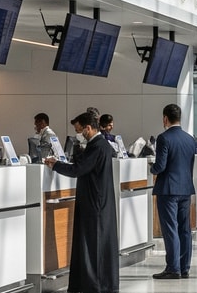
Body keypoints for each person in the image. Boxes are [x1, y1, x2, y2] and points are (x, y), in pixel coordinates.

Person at [44, 111, 117, 293]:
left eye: (79, 130)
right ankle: (93, 284)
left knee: (93, 245)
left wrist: (56, 165)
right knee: (94, 244)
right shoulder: (102, 145)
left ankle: (94, 284)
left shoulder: (97, 146)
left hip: (94, 203)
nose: (78, 134)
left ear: (88, 128)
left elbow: (78, 170)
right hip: (99, 201)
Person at [149, 103, 197, 280]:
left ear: (165, 118)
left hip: (168, 190)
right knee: (185, 229)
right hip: (185, 188)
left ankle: (173, 268)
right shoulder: (190, 139)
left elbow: (160, 166)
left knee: (170, 229)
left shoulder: (164, 138)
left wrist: (151, 168)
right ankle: (184, 267)